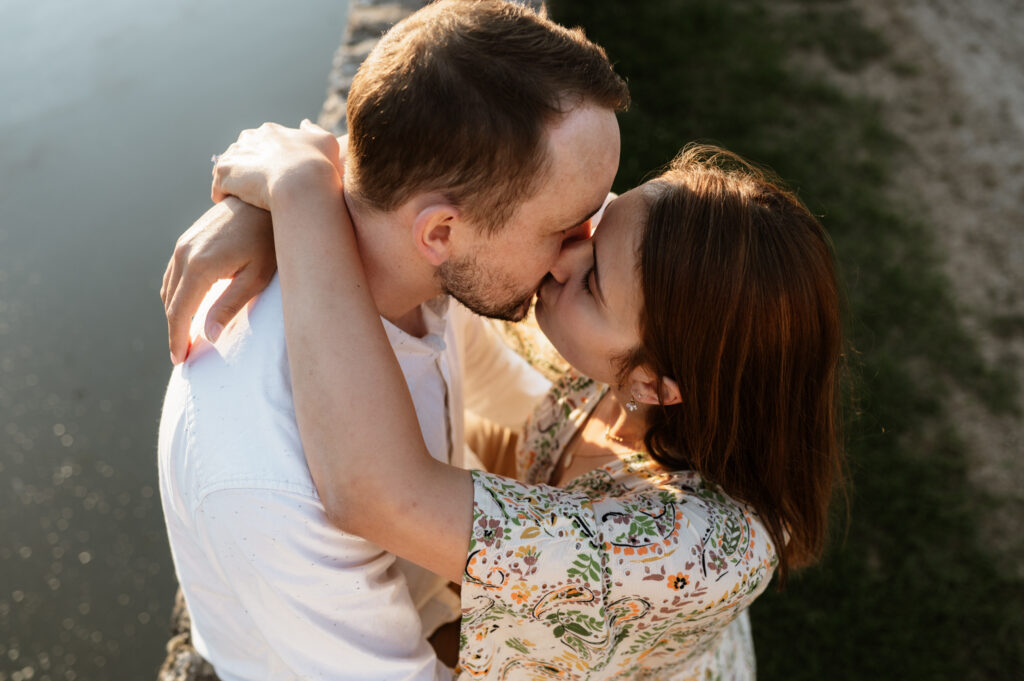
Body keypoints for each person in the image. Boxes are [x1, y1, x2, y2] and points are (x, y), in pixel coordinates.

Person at [172, 121, 845, 679]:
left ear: (655, 384)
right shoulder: (623, 348)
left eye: (593, 284)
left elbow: (374, 492)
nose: (559, 256)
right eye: (597, 219)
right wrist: (267, 217)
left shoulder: (688, 548)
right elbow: (437, 198)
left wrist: (300, 196)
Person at [156, 2, 628, 679]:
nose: (579, 252)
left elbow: (502, 391)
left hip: (431, 604)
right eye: (565, 227)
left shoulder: (419, 270)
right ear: (439, 233)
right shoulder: (269, 472)